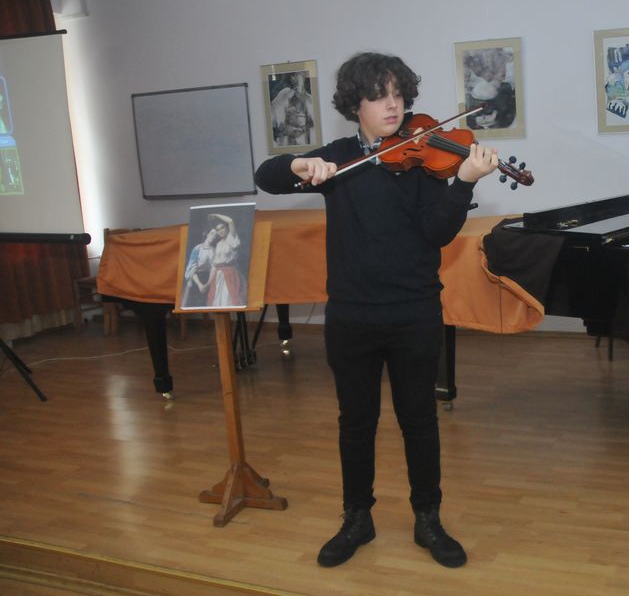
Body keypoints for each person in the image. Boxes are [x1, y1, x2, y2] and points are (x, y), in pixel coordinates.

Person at [254, 52, 498, 569]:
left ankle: (428, 519)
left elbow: (437, 232)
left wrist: (464, 182)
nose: (393, 105)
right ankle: (357, 518)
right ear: (355, 105)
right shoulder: (339, 158)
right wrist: (299, 165)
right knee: (356, 422)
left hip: (414, 311)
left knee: (419, 421)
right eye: (378, 96)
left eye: (398, 94)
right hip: (352, 315)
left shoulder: (426, 156)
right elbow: (267, 175)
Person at [205, 213, 246, 307]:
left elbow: (230, 221)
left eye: (222, 227)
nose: (220, 231)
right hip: (218, 275)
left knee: (227, 299)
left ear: (227, 227)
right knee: (216, 300)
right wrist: (208, 282)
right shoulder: (218, 244)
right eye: (218, 229)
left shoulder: (231, 238)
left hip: (229, 273)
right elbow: (215, 264)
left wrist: (216, 215)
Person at [181, 226, 218, 308]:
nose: (213, 236)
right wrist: (199, 285)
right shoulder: (197, 249)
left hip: (209, 278)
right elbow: (192, 268)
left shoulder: (214, 250)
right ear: (207, 234)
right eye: (212, 233)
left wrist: (208, 284)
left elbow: (214, 267)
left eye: (215, 235)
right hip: (196, 279)